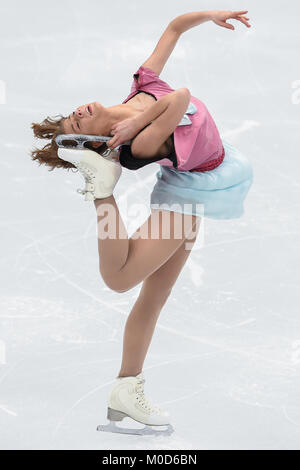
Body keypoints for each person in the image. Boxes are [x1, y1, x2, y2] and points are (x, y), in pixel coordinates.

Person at [30, 10, 252, 435]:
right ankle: (101, 189)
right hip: (187, 194)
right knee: (120, 279)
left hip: (199, 183)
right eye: (79, 122)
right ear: (98, 139)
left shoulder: (142, 86)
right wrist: (136, 123)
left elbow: (172, 28)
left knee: (155, 296)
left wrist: (211, 15)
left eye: (72, 114)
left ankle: (125, 391)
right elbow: (182, 97)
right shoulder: (141, 142)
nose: (78, 111)